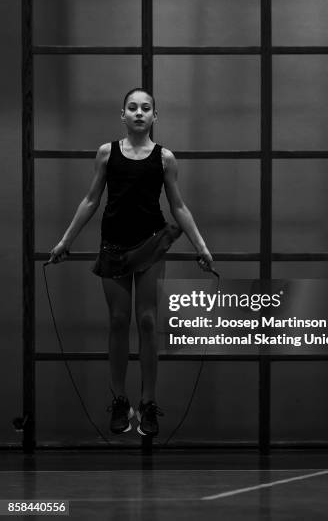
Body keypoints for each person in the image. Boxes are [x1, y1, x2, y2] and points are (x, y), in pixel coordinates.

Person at [49, 88, 214, 437]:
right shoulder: (107, 154)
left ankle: (148, 403)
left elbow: (179, 206)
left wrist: (201, 245)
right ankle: (120, 400)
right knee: (119, 320)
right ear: (122, 115)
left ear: (155, 116)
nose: (139, 113)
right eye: (133, 108)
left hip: (151, 244)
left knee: (148, 321)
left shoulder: (165, 158)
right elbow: (91, 200)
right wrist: (65, 241)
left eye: (146, 108)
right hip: (113, 246)